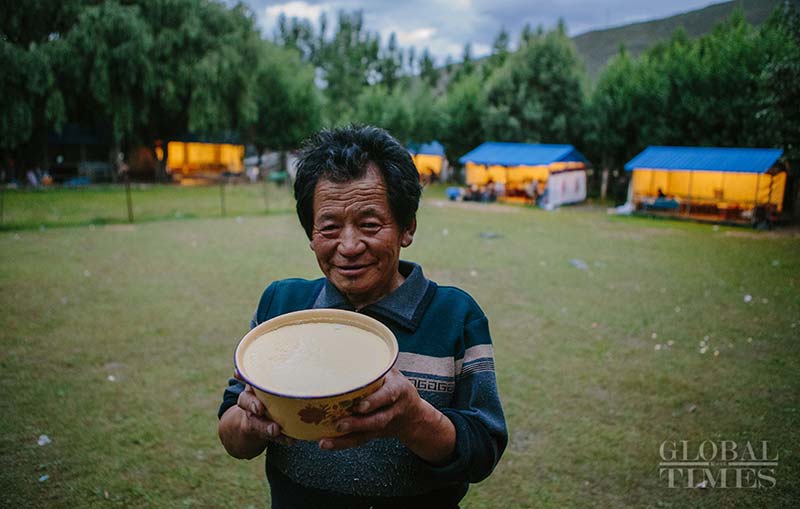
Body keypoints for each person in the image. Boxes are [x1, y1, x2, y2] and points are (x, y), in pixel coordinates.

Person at [217, 126, 507, 509]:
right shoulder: (282, 306)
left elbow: (482, 453)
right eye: (330, 227)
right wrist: (252, 424)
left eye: (370, 224)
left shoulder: (456, 316)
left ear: (408, 228)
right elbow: (230, 432)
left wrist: (413, 419)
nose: (349, 246)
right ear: (310, 233)